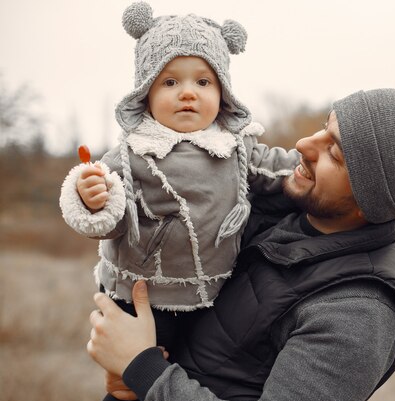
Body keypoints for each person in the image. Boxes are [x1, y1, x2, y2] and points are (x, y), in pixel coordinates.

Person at [88, 87, 395, 401]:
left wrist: (142, 366)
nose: (304, 145)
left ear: (369, 203)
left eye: (334, 153)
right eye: (324, 127)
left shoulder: (358, 312)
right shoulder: (272, 204)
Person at [59, 2, 297, 348]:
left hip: (216, 291)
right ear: (146, 93)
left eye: (203, 81)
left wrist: (314, 164)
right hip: (142, 295)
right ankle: (122, 381)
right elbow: (111, 222)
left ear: (223, 94)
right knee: (136, 370)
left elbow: (276, 167)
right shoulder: (134, 153)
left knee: (197, 366)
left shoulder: (236, 147)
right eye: (170, 81)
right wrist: (93, 199)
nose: (188, 92)